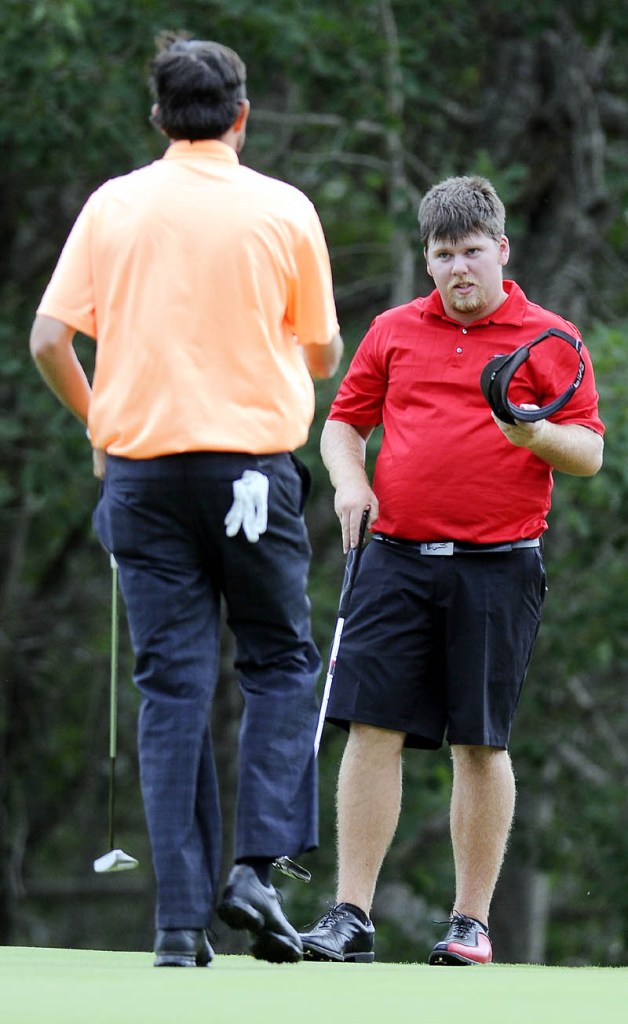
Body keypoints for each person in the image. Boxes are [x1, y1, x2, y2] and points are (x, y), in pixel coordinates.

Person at [30, 33, 343, 968]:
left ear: (159, 117)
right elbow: (322, 352)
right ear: (242, 114)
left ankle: (176, 925)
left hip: (143, 475)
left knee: (172, 687)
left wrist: (101, 426)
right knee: (281, 663)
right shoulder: (283, 208)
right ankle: (256, 867)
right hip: (250, 470)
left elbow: (51, 339)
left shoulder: (113, 204)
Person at [298, 175, 604, 966]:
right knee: (373, 730)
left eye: (473, 251)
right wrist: (351, 480)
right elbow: (343, 423)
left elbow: (590, 453)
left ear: (501, 249)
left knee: (480, 742)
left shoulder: (550, 338)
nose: (459, 267)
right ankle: (350, 915)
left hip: (499, 566)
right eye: (443, 254)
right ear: (427, 260)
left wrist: (532, 435)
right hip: (394, 556)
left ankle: (470, 923)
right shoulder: (395, 329)